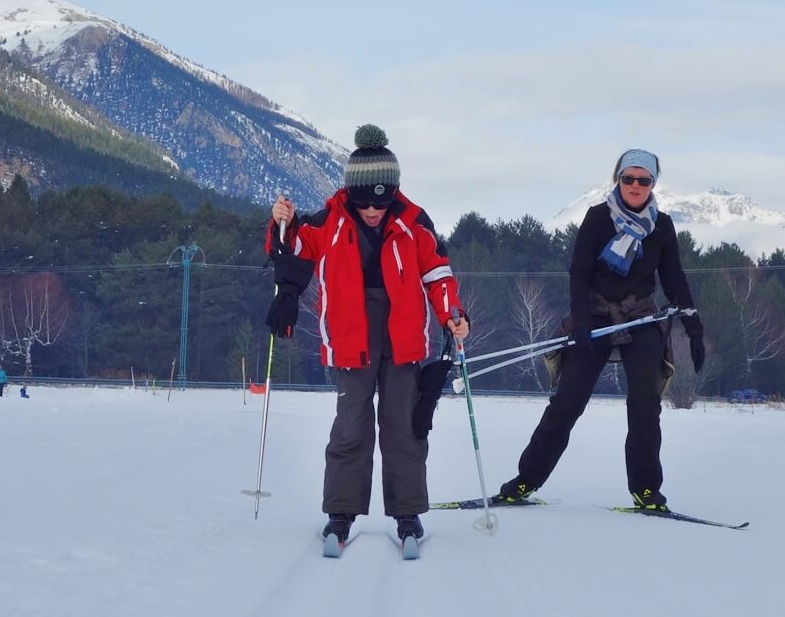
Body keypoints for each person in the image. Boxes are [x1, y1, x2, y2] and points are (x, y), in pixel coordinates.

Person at [265, 125, 469, 545]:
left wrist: (452, 313)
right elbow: (293, 249)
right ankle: (341, 513)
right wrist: (281, 223)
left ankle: (407, 514)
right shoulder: (328, 220)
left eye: (381, 203)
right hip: (350, 334)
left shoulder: (414, 220)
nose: (373, 212)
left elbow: (438, 273)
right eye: (364, 204)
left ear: (392, 193)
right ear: (350, 194)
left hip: (403, 335)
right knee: (351, 425)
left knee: (404, 425)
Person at [496, 149, 704, 511]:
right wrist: (580, 322)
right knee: (567, 403)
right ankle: (525, 480)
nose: (635, 186)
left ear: (653, 184)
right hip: (593, 317)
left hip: (640, 317)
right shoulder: (597, 218)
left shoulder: (662, 226)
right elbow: (578, 272)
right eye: (628, 179)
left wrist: (694, 327)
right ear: (617, 180)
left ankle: (646, 490)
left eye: (644, 180)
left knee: (644, 405)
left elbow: (674, 280)